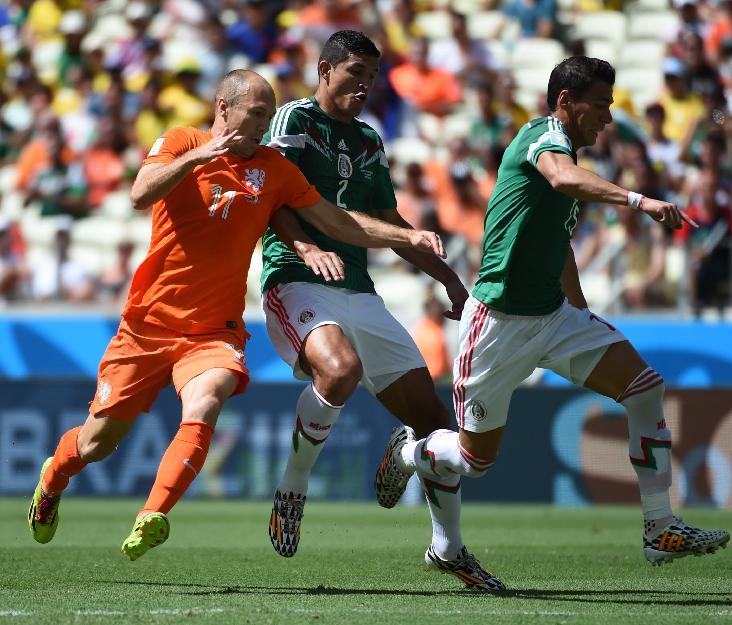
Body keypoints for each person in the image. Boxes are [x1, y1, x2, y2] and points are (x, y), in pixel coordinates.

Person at [27, 69, 446, 561]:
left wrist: (406, 236)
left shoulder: (273, 168)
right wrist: (199, 156)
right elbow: (140, 194)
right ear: (224, 107)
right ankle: (54, 476)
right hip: (148, 325)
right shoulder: (183, 141)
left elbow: (335, 220)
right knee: (97, 442)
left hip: (214, 328)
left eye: (270, 115)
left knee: (207, 401)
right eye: (257, 114)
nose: (265, 125)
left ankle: (152, 515)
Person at [384, 56, 730, 570]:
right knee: (477, 462)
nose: (608, 118)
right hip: (497, 324)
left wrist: (583, 314)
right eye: (600, 106)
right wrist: (640, 201)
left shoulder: (566, 157)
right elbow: (564, 178)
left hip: (553, 317)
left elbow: (560, 246)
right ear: (566, 102)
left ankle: (660, 526)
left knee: (645, 388)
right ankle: (410, 454)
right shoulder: (539, 139)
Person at [261, 31, 503, 591]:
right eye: (355, 73)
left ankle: (445, 542)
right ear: (324, 69)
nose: (365, 85)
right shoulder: (294, 121)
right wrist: (305, 247)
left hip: (357, 288)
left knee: (440, 429)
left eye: (372, 75)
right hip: (296, 279)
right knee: (340, 371)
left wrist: (451, 282)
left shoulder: (368, 140)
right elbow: (269, 198)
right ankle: (293, 485)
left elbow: (389, 221)